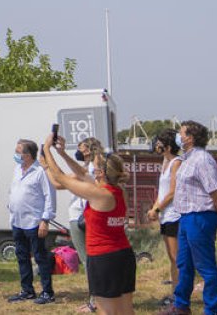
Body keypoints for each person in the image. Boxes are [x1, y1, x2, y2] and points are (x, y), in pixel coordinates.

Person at [42, 134, 136, 315]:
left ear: (100, 173)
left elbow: (61, 179)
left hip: (103, 258)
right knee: (126, 310)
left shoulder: (99, 194)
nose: (91, 170)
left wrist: (47, 151)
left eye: (96, 167)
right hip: (124, 254)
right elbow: (82, 173)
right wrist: (62, 153)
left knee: (106, 311)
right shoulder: (119, 191)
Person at [158, 121, 217, 315]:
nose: (178, 137)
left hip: (201, 216)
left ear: (190, 137)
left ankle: (211, 310)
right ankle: (181, 306)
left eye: (181, 134)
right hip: (186, 218)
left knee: (205, 267)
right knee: (184, 264)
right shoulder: (186, 159)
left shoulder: (202, 160)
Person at [7, 139, 56, 305]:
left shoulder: (40, 172)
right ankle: (27, 290)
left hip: (34, 221)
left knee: (40, 257)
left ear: (27, 155)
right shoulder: (17, 170)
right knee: (21, 256)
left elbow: (50, 196)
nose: (15, 154)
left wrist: (45, 219)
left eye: (18, 151)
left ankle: (47, 292)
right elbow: (13, 190)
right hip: (17, 220)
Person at [66, 137, 104, 313]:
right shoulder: (86, 167)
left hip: (83, 216)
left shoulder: (94, 166)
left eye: (81, 148)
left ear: (89, 150)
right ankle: (96, 298)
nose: (78, 151)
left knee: (89, 261)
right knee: (91, 261)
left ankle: (95, 300)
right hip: (81, 215)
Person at [148, 129, 183, 306]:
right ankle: (176, 294)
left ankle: (179, 297)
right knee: (172, 258)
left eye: (160, 143)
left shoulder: (176, 162)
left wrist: (157, 209)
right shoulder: (165, 162)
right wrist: (155, 208)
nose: (156, 145)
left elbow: (172, 192)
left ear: (168, 146)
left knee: (177, 258)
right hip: (166, 216)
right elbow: (162, 192)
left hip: (174, 216)